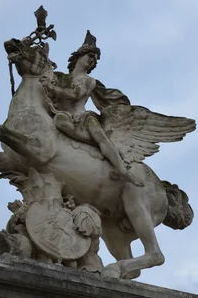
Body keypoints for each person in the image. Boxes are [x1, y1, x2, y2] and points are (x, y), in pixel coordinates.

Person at [41, 31, 144, 187]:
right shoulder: (60, 77)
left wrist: (53, 89)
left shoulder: (89, 81)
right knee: (60, 120)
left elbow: (76, 94)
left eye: (95, 60)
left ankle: (121, 168)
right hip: (61, 117)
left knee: (101, 138)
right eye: (90, 57)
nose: (92, 62)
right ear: (79, 56)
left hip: (83, 118)